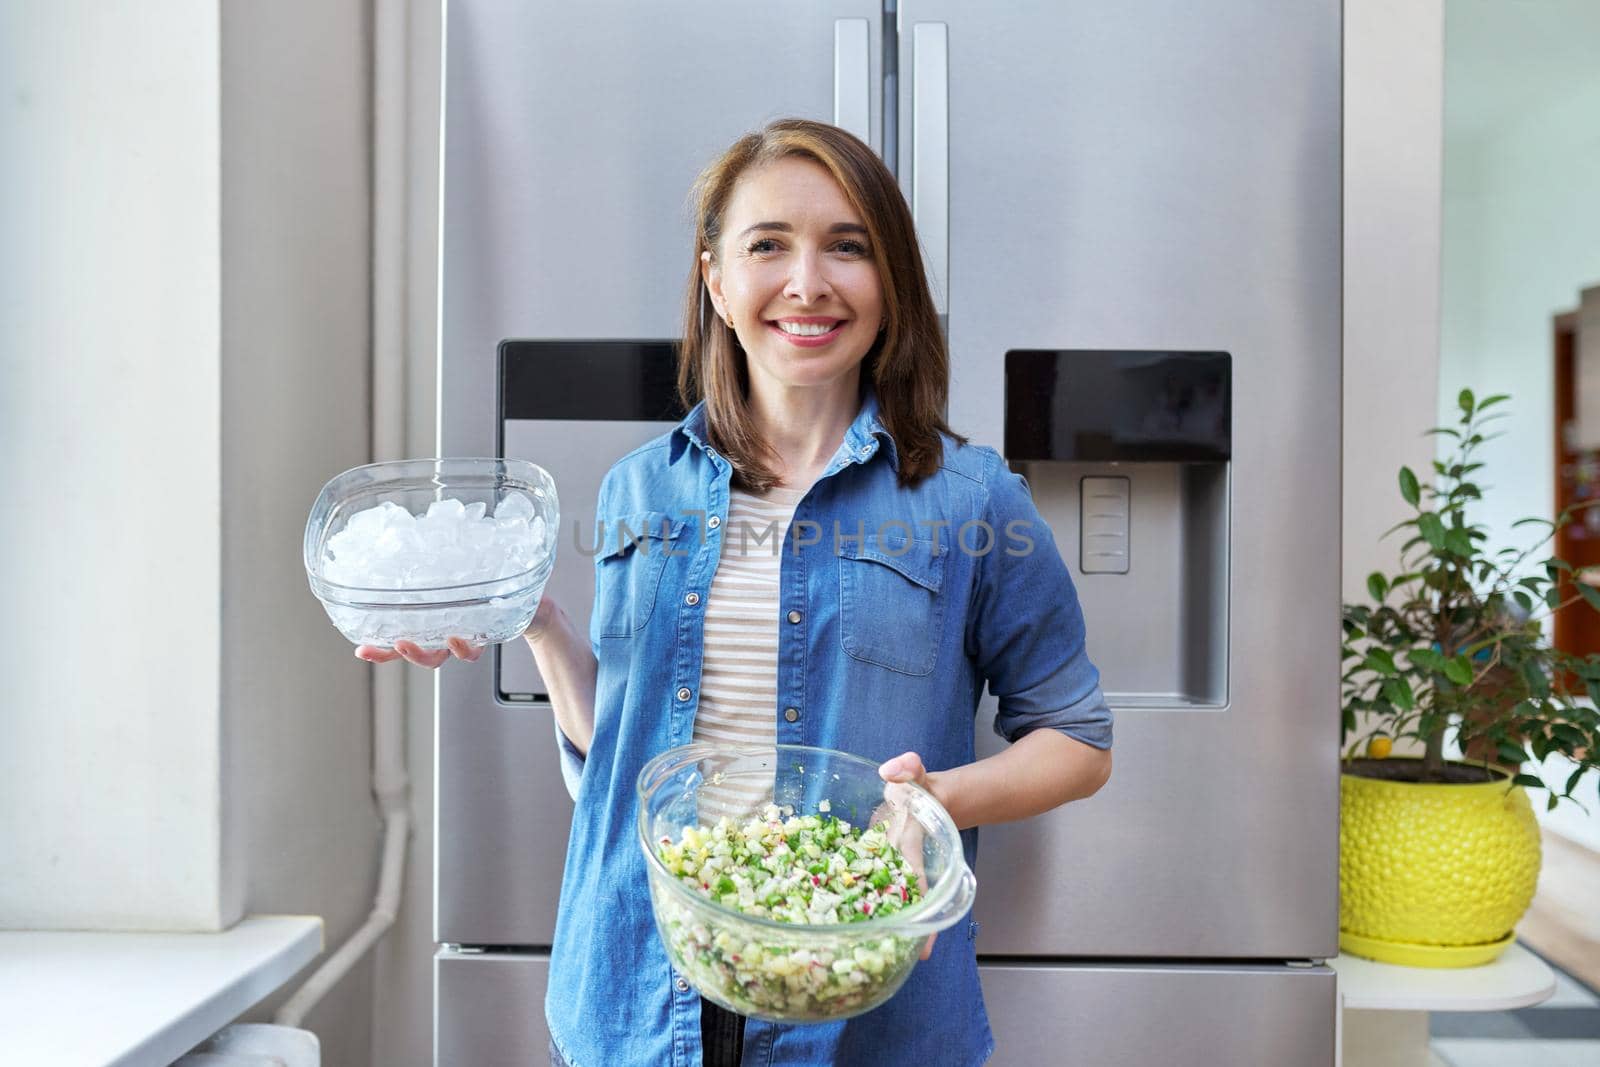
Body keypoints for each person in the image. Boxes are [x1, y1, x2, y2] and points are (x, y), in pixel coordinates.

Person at [361, 118, 1113, 1067]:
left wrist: (928, 805)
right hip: (636, 989)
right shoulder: (641, 488)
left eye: (850, 247)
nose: (808, 284)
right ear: (716, 279)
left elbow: (1079, 741)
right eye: (768, 246)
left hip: (861, 1005)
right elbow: (631, 741)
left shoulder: (971, 498)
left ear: (892, 285)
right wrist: (537, 625)